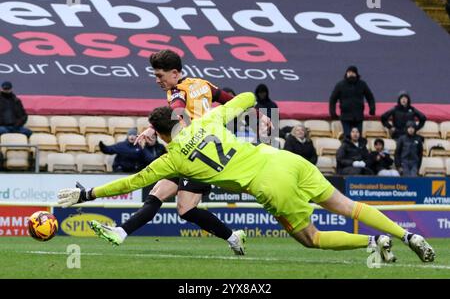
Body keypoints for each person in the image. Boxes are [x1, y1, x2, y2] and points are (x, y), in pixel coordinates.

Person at [58, 93, 435, 263]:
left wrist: (87, 192)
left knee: (312, 238)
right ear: (180, 119)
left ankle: (374, 241)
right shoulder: (207, 120)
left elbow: (130, 182)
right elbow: (243, 98)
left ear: (158, 134)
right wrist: (253, 109)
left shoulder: (171, 162)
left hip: (269, 184)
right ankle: (408, 235)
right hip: (282, 158)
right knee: (347, 205)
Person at [87, 50, 269, 255]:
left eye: (159, 76)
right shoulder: (202, 84)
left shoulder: (177, 93)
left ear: (174, 73)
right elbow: (230, 100)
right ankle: (121, 232)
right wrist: (259, 116)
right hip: (193, 152)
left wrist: (154, 128)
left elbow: (177, 113)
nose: (157, 80)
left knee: (185, 209)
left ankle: (233, 237)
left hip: (197, 156)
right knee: (157, 194)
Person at [329, 66, 376, 138]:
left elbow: (370, 97)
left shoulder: (362, 84)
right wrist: (333, 112)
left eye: (353, 73)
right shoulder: (340, 85)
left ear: (356, 74)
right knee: (347, 137)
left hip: (358, 117)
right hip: (345, 117)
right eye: (349, 72)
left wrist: (372, 109)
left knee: (358, 136)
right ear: (346, 74)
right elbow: (333, 99)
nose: (351, 74)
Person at [99, 128, 165, 173]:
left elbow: (149, 158)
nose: (132, 137)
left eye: (134, 135)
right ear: (127, 136)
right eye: (130, 135)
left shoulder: (140, 147)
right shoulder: (121, 145)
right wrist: (102, 146)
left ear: (137, 136)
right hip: (120, 172)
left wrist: (143, 148)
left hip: (134, 172)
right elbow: (108, 150)